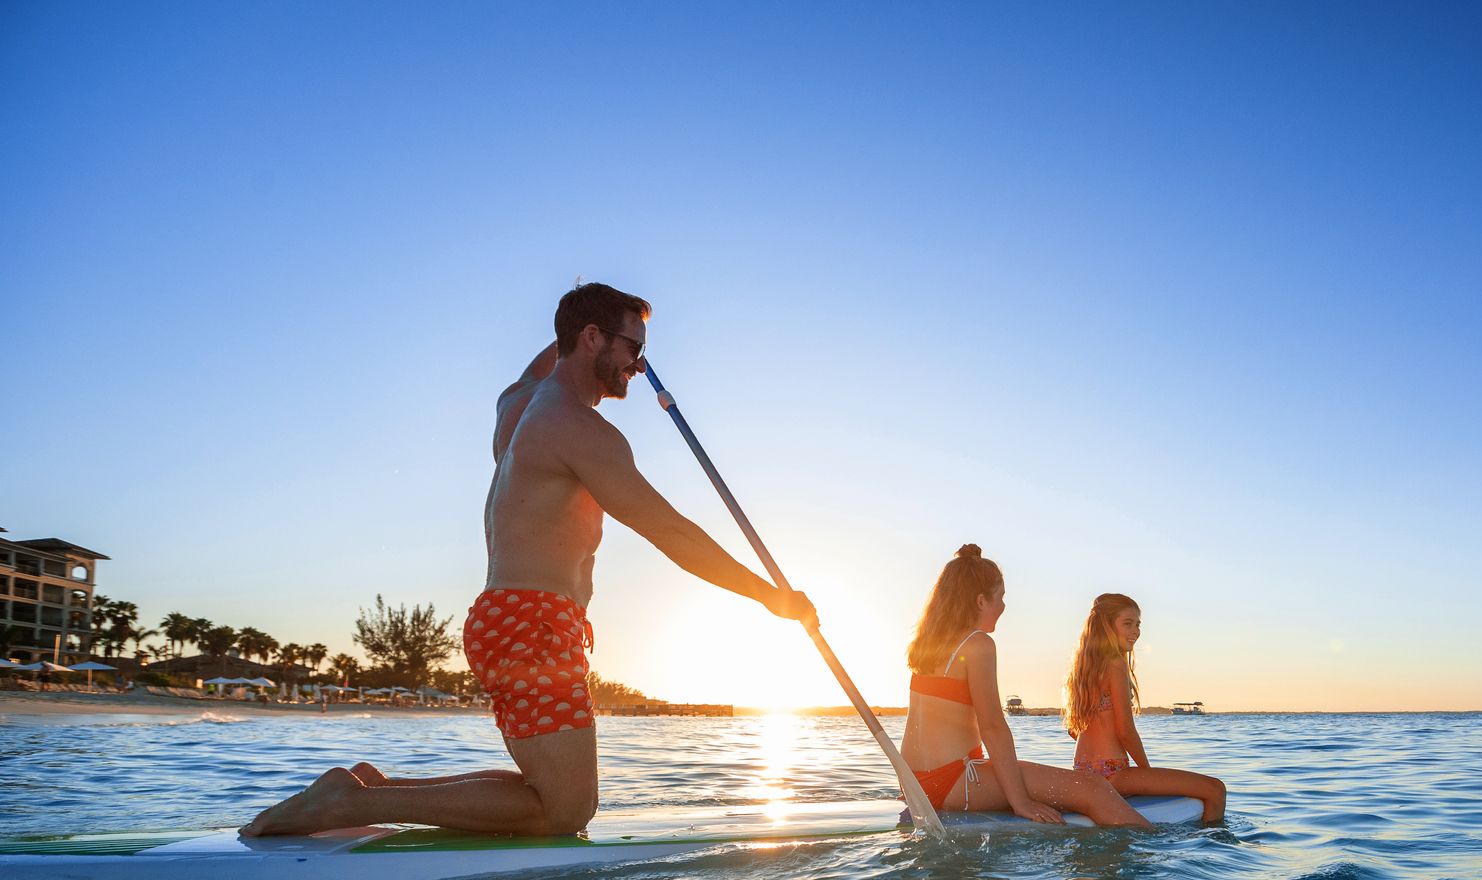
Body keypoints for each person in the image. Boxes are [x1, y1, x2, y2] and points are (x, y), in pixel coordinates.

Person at [242, 283, 814, 836]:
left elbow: (544, 362)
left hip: (510, 616)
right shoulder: (581, 430)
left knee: (551, 791)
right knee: (564, 810)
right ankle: (348, 802)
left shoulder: (517, 405)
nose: (639, 365)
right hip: (534, 623)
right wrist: (771, 597)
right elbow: (668, 531)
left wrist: (575, 327)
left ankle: (369, 789)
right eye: (632, 347)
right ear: (593, 337)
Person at [902, 546, 1146, 827]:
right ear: (980, 601)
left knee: (1049, 779)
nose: (1004, 606)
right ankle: (1154, 852)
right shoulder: (978, 644)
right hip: (951, 780)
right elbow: (993, 728)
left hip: (916, 782)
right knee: (1095, 789)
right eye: (1001, 597)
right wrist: (1021, 802)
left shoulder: (928, 647)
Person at [1066, 593, 1226, 822]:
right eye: (1128, 624)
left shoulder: (1082, 669)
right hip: (1114, 774)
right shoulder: (1115, 664)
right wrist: (1146, 772)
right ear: (1106, 626)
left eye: (1138, 624)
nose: (1136, 632)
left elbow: (1073, 730)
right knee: (1215, 789)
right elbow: (1125, 732)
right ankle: (1215, 849)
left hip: (1083, 774)